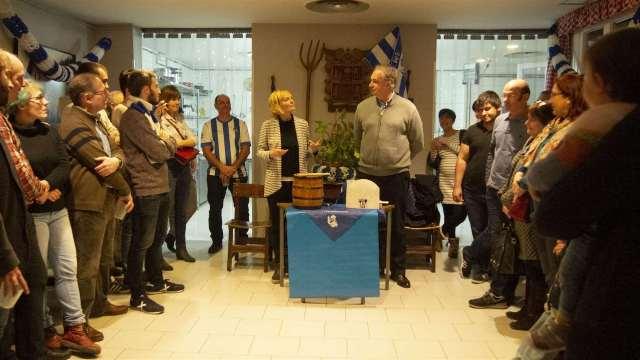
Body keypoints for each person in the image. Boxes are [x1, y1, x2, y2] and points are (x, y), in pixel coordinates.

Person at [533, 28, 640, 359]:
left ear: (604, 82)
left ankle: (561, 318)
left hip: (616, 293)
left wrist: (538, 187)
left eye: (587, 75)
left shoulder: (608, 127)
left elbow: (556, 213)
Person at [9, 82, 100, 355]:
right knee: (38, 276)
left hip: (57, 208)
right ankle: (47, 328)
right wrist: (38, 191)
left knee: (67, 268)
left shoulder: (49, 131)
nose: (46, 102)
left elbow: (64, 164)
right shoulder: (11, 135)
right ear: (23, 104)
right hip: (32, 214)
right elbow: (16, 171)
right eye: (39, 98)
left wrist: (45, 186)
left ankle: (75, 327)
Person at [59, 73, 133, 342]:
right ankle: (80, 322)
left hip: (104, 198)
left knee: (103, 258)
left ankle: (100, 302)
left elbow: (117, 151)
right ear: (87, 98)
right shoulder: (72, 121)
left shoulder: (94, 119)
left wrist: (117, 162)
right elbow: (97, 161)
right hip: (87, 201)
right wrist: (124, 188)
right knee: (86, 265)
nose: (108, 93)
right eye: (103, 90)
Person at [354, 65, 424, 289]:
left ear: (389, 83)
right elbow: (357, 139)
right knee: (367, 223)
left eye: (375, 81)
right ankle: (370, 267)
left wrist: (397, 160)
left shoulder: (408, 108)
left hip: (396, 176)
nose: (370, 84)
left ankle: (398, 270)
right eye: (371, 80)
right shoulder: (363, 107)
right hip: (366, 174)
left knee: (397, 224)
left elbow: (418, 143)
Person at [120, 70, 184, 315]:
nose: (160, 89)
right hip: (145, 187)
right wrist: (165, 143)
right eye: (156, 85)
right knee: (141, 243)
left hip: (159, 183)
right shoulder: (133, 117)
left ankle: (157, 280)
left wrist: (164, 142)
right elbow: (161, 151)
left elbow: (167, 143)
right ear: (146, 89)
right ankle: (138, 295)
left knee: (157, 238)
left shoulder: (149, 114)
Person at [0, 48, 48, 359]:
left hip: (22, 224)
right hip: (6, 238)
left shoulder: (2, 120)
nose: (20, 85)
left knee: (33, 293)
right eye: (13, 77)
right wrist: (5, 258)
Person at [468, 79, 529, 309]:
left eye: (509, 95)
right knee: (499, 239)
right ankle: (499, 290)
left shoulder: (531, 121)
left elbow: (526, 160)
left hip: (515, 193)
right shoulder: (501, 120)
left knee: (510, 242)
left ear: (523, 96)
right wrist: (488, 180)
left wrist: (511, 192)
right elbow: (493, 153)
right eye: (503, 95)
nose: (504, 100)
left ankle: (501, 290)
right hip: (493, 188)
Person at [498, 100, 554, 330]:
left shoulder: (547, 143)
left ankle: (534, 311)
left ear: (544, 123)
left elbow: (531, 174)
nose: (528, 123)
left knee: (534, 263)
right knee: (527, 259)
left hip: (531, 207)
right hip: (519, 206)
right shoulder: (533, 141)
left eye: (532, 119)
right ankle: (528, 307)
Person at [257, 90, 319, 283]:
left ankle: (297, 263)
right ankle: (279, 265)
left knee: (297, 224)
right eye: (286, 99)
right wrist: (272, 153)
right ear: (277, 103)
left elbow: (305, 154)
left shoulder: (302, 124)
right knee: (277, 225)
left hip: (298, 184)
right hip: (276, 183)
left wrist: (313, 150)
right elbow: (259, 151)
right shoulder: (267, 125)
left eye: (292, 98)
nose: (291, 100)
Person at [454, 93, 499, 280]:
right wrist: (457, 186)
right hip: (472, 189)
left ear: (497, 107)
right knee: (477, 228)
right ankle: (481, 268)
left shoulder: (503, 129)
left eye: (487, 108)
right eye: (480, 110)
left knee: (493, 229)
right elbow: (462, 158)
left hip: (495, 189)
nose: (483, 113)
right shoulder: (472, 131)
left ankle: (473, 255)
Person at [201, 94, 251, 255]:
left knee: (242, 207)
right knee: (215, 208)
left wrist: (232, 168)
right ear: (216, 106)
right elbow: (206, 150)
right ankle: (216, 241)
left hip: (239, 173)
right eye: (221, 103)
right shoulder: (209, 125)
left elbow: (245, 148)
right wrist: (223, 168)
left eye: (228, 102)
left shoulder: (240, 124)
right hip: (215, 173)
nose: (225, 105)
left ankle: (241, 238)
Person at [158, 85, 197, 262]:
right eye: (172, 99)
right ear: (164, 101)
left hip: (184, 166)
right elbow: (166, 142)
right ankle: (157, 253)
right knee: (165, 209)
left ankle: (181, 247)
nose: (176, 102)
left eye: (178, 98)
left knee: (182, 209)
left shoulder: (180, 119)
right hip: (169, 167)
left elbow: (193, 139)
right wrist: (183, 143)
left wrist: (180, 143)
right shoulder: (159, 119)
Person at [428, 108, 466, 258]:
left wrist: (447, 144)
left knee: (461, 213)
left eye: (447, 118)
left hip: (459, 181)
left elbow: (464, 154)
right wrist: (433, 149)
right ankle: (453, 246)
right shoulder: (437, 139)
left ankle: (441, 231)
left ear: (453, 120)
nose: (444, 121)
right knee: (449, 214)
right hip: (443, 182)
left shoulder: (461, 135)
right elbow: (433, 162)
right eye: (441, 118)